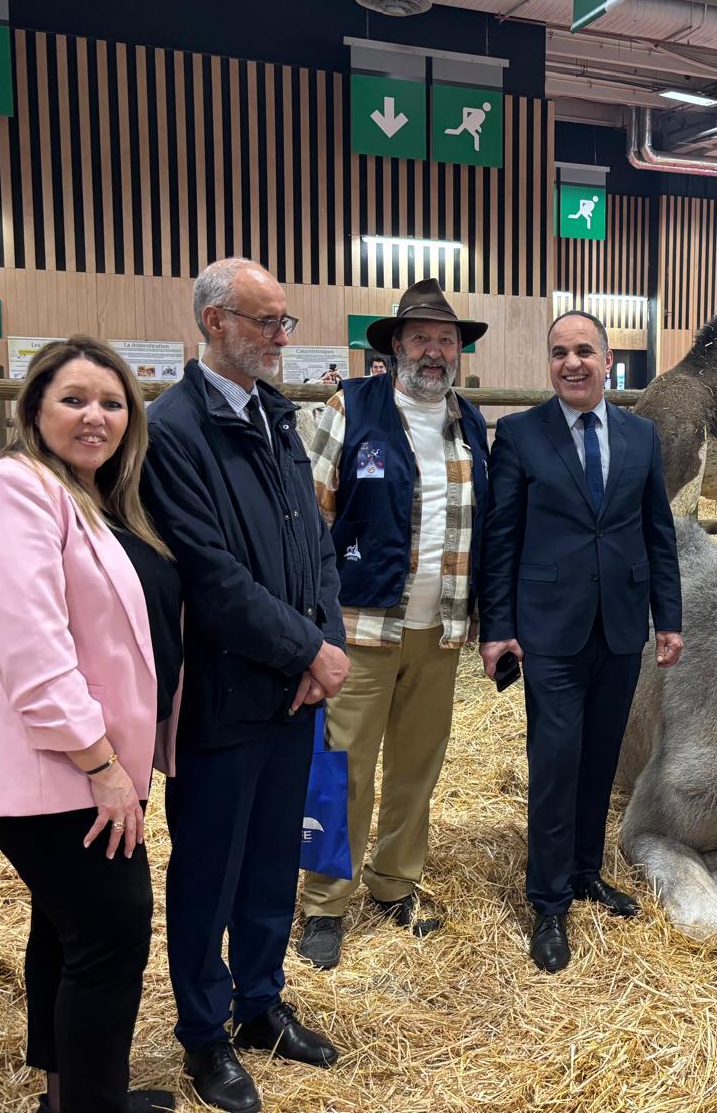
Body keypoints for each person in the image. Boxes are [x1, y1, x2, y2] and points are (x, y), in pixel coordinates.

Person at [0, 336, 180, 1113]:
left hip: (90, 763)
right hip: (60, 766)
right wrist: (102, 763)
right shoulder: (14, 490)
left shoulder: (99, 497)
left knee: (67, 931)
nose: (95, 417)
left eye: (112, 403)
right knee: (112, 937)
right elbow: (32, 649)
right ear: (34, 408)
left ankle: (64, 1095)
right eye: (74, 399)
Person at [141, 258, 349, 1113]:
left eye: (286, 322)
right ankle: (203, 1035)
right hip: (224, 697)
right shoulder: (172, 430)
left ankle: (260, 1004)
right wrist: (308, 651)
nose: (282, 338)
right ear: (215, 322)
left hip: (290, 691)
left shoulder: (276, 415)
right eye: (267, 322)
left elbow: (315, 547)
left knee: (272, 862)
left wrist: (323, 643)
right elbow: (211, 577)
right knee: (208, 871)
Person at [478, 310, 683, 973]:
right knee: (557, 760)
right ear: (551, 362)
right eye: (560, 352)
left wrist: (669, 618)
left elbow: (657, 532)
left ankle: (587, 871)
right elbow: (501, 538)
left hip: (620, 626)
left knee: (601, 759)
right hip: (550, 630)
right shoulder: (518, 435)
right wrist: (499, 627)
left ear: (607, 361)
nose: (572, 363)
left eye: (584, 351)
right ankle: (547, 900)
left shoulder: (639, 436)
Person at [296, 279, 491, 966]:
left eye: (446, 340)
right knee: (345, 769)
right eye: (421, 339)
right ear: (395, 347)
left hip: (437, 632)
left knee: (416, 768)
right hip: (358, 629)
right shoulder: (352, 409)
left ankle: (394, 883)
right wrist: (314, 626)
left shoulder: (469, 424)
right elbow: (312, 521)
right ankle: (324, 902)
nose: (434, 352)